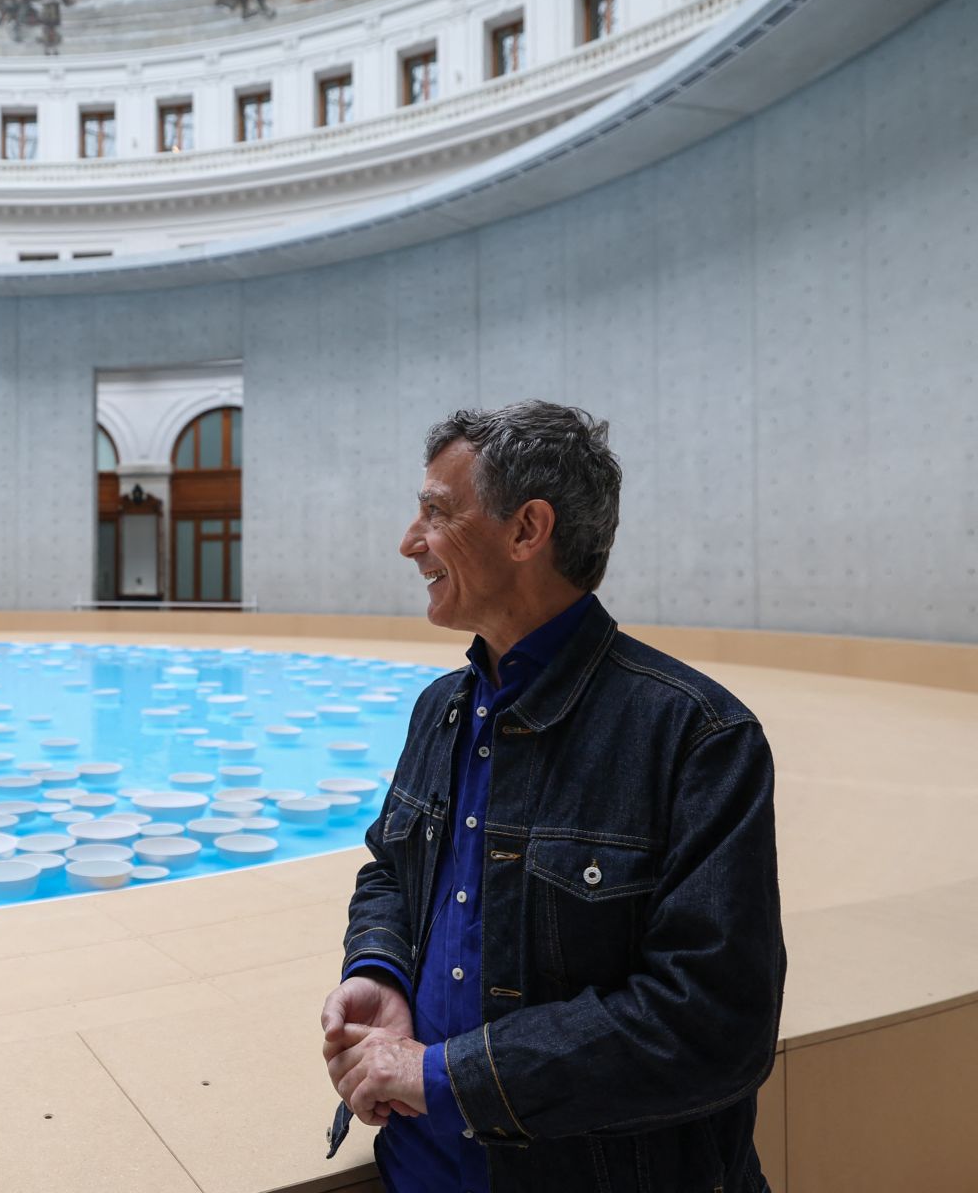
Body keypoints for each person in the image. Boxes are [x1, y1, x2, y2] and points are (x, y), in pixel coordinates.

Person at [320, 400, 786, 1192]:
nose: (409, 541)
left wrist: (443, 1076)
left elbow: (711, 1024)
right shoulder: (441, 709)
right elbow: (390, 874)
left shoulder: (696, 737)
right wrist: (381, 970)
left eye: (435, 511)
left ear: (527, 530)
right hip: (420, 1172)